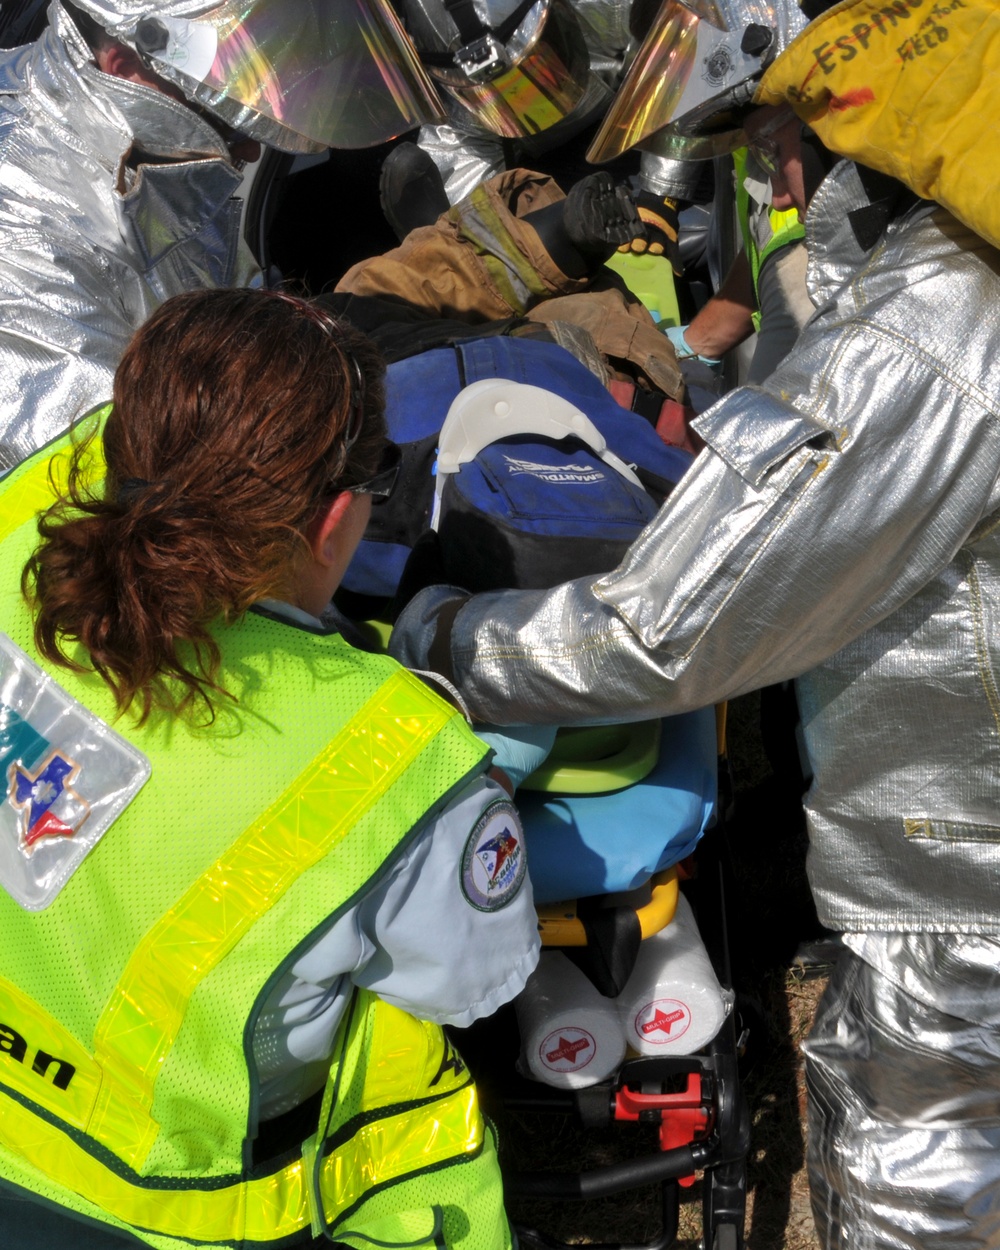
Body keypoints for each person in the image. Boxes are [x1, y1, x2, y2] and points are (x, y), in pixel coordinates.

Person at [389, 0, 1000, 1245]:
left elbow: (665, 636)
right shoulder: (941, 256)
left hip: (959, 874)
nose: (765, 164)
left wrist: (440, 634)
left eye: (769, 125)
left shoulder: (929, 330)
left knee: (918, 1152)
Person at [0, 287, 539, 1248]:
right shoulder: (388, 764)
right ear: (336, 520)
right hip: (153, 1205)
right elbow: (472, 986)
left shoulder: (22, 520)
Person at [0, 0, 444, 474]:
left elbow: (242, 321)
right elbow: (112, 491)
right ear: (129, 72)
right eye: (232, 120)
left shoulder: (146, 151)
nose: (251, 148)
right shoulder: (21, 249)